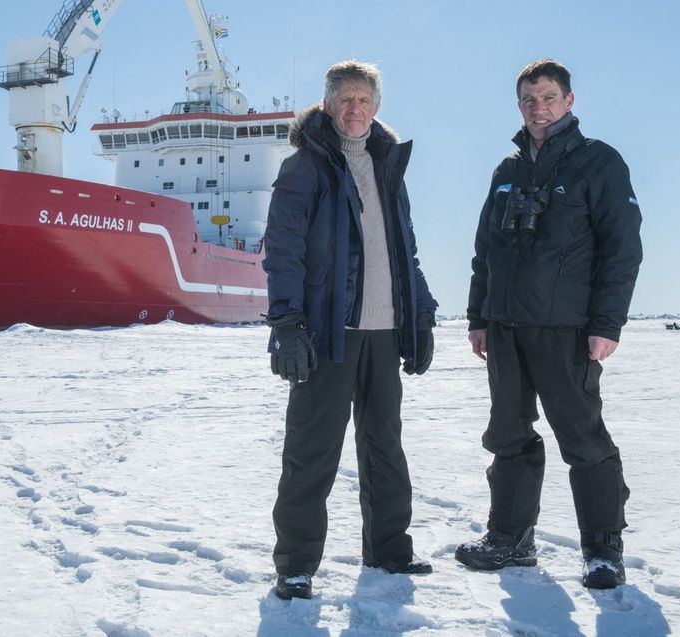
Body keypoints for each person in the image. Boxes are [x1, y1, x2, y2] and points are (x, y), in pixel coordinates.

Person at [455, 59, 643, 589]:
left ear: (569, 101)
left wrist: (607, 323)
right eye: (529, 99)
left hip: (567, 330)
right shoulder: (507, 172)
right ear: (519, 106)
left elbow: (622, 250)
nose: (540, 107)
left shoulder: (599, 164)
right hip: (506, 328)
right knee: (509, 436)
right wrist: (478, 317)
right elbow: (483, 252)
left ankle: (603, 550)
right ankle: (511, 540)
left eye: (549, 97)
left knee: (582, 438)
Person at [262, 60, 439, 601]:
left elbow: (404, 251)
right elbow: (284, 248)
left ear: (376, 106)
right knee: (312, 451)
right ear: (328, 105)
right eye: (344, 99)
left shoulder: (388, 169)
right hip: (326, 332)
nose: (354, 109)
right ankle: (295, 565)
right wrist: (287, 324)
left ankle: (388, 549)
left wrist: (423, 312)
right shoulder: (306, 168)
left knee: (385, 444)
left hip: (385, 332)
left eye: (363, 99)